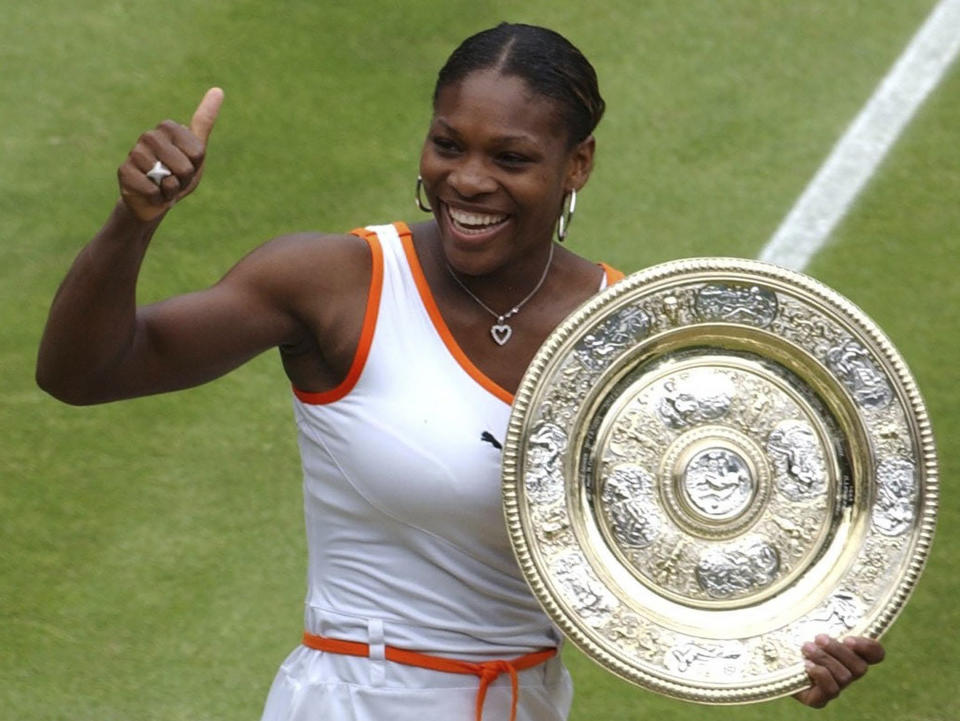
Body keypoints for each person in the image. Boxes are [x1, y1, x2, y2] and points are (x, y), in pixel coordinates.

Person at [37, 22, 883, 721]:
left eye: (510, 158)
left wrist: (793, 642)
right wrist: (131, 222)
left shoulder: (627, 339)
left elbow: (703, 529)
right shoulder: (335, 283)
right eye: (448, 145)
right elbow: (84, 370)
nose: (467, 181)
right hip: (354, 701)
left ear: (575, 166)